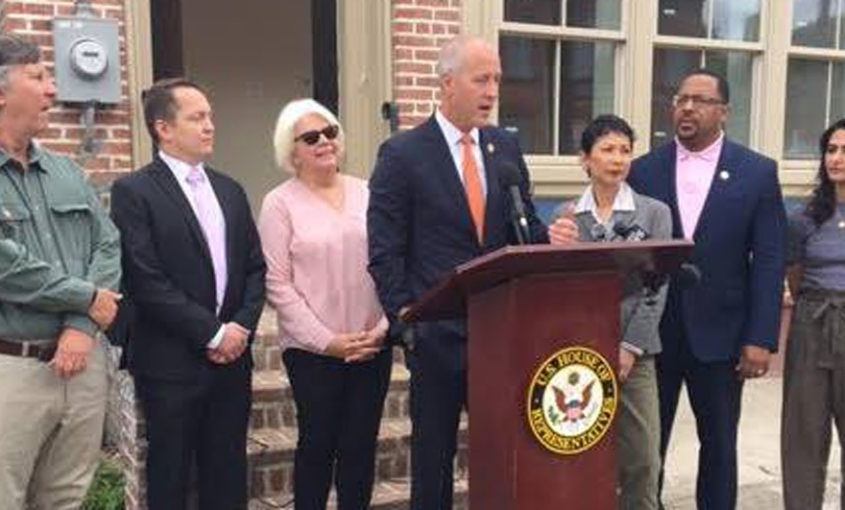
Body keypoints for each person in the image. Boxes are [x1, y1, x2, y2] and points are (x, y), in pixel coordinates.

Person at [367, 35, 549, 509]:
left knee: (504, 453)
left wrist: (552, 240)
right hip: (437, 338)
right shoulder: (403, 154)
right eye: (481, 79)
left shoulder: (505, 147)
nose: (492, 91)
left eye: (498, 80)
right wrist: (406, 325)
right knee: (434, 462)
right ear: (447, 83)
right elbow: (385, 251)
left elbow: (522, 227)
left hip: (500, 336)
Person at [627, 68, 786, 509]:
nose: (688, 108)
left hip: (722, 335)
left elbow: (769, 261)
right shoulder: (644, 170)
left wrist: (760, 337)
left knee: (718, 446)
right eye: (681, 99)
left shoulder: (756, 172)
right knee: (644, 447)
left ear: (724, 112)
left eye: (700, 100)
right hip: (654, 335)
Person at [110, 78, 266, 510]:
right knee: (171, 474)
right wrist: (213, 333)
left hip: (233, 363)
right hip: (171, 362)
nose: (210, 126)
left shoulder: (230, 190)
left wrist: (241, 328)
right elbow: (145, 279)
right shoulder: (134, 192)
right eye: (197, 118)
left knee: (227, 471)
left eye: (209, 116)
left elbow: (255, 268)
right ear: (163, 128)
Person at [0, 35, 122, 509]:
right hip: (12, 369)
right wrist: (85, 298)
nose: (53, 90)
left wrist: (79, 324)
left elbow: (108, 244)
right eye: (38, 77)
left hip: (81, 364)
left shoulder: (68, 172)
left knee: (68, 498)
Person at [258, 98, 390, 509]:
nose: (324, 142)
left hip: (371, 345)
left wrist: (384, 327)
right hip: (313, 352)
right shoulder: (279, 204)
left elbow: (390, 262)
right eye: (311, 137)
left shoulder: (370, 193)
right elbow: (277, 283)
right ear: (291, 151)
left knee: (360, 446)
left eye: (330, 132)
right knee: (317, 445)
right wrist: (325, 340)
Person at [550, 115, 671, 509]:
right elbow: (558, 289)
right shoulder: (567, 216)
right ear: (585, 159)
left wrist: (630, 346)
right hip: (579, 355)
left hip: (635, 355)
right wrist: (555, 248)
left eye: (625, 150)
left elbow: (658, 285)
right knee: (581, 452)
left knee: (642, 458)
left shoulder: (653, 213)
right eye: (607, 150)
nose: (617, 159)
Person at [781, 118, 845, 510]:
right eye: (832, 149)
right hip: (813, 321)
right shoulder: (805, 217)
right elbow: (795, 275)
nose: (837, 158)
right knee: (803, 433)